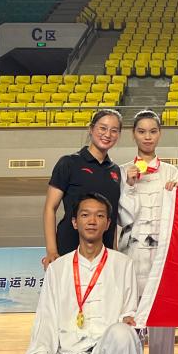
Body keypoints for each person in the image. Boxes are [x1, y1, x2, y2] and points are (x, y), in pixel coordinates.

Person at [20, 193, 143, 354]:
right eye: (85, 215)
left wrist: (130, 321)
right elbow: (46, 318)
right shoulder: (58, 269)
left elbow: (130, 311)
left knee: (122, 333)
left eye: (99, 216)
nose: (92, 221)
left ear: (108, 223)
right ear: (75, 222)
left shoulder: (123, 264)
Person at [118, 110, 178, 354]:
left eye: (152, 131)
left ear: (160, 134)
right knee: (131, 323)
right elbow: (121, 217)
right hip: (131, 255)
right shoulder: (122, 171)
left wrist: (175, 195)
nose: (147, 136)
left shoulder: (171, 172)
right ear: (133, 134)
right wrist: (129, 186)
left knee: (162, 324)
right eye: (141, 131)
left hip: (161, 255)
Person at [42, 109, 124, 270]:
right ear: (91, 129)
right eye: (103, 128)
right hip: (69, 249)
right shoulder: (68, 163)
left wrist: (113, 249)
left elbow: (112, 217)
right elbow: (50, 208)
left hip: (103, 254)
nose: (107, 134)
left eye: (114, 130)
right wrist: (51, 250)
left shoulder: (116, 171)